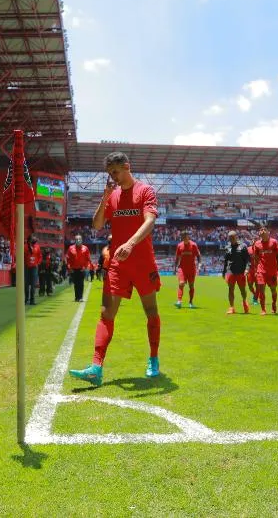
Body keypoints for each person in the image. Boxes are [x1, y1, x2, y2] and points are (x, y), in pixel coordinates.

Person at [70, 152, 162, 386]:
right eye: (110, 173)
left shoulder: (145, 191)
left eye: (116, 172)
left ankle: (153, 358)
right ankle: (96, 368)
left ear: (127, 167)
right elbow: (97, 224)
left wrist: (130, 244)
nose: (113, 177)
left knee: (150, 311)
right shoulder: (113, 195)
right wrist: (105, 197)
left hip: (142, 262)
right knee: (106, 313)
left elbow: (149, 221)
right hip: (118, 265)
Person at [252, 227, 278, 315]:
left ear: (268, 232)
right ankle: (263, 309)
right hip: (261, 270)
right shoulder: (256, 244)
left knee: (273, 290)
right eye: (261, 230)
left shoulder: (274, 242)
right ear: (259, 233)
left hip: (272, 271)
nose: (263, 231)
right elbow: (256, 258)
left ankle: (274, 304)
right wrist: (256, 270)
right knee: (261, 289)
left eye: (264, 229)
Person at [222, 230, 250, 314]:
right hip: (230, 272)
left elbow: (248, 259)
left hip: (241, 272)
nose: (231, 239)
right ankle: (231, 307)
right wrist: (224, 272)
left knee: (242, 290)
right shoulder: (227, 247)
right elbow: (225, 261)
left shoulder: (243, 246)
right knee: (231, 289)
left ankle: (244, 302)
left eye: (233, 237)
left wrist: (247, 269)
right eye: (230, 238)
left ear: (236, 237)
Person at [173, 230, 201, 309]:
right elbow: (177, 258)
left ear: (188, 236)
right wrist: (175, 268)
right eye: (183, 236)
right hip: (182, 268)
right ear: (181, 237)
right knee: (181, 283)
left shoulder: (193, 245)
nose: (185, 237)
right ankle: (179, 301)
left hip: (192, 269)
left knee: (191, 286)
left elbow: (198, 256)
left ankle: (191, 302)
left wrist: (199, 265)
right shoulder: (179, 246)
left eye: (186, 236)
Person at [66, 235, 91, 302]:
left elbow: (88, 259)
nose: (78, 240)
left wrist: (86, 267)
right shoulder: (70, 248)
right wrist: (69, 267)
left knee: (81, 283)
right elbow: (68, 259)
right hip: (74, 269)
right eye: (77, 239)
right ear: (75, 240)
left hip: (81, 269)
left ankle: (80, 297)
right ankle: (76, 297)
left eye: (79, 239)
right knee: (76, 284)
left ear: (82, 240)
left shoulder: (85, 248)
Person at [25, 236, 42, 305]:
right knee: (26, 284)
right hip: (26, 267)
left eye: (35, 239)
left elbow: (40, 256)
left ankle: (32, 300)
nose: (34, 240)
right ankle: (26, 299)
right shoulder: (24, 247)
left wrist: (37, 263)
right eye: (33, 239)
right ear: (29, 240)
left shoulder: (37, 247)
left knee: (33, 284)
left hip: (34, 267)